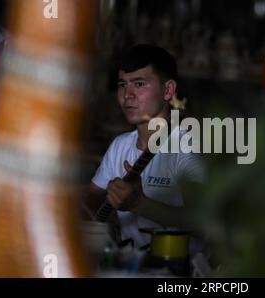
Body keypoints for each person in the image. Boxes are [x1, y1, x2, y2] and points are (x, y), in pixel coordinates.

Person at [83, 44, 205, 249]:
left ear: (168, 90)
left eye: (139, 84)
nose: (127, 95)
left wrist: (139, 204)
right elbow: (90, 199)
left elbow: (202, 221)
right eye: (122, 84)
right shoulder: (120, 146)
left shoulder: (188, 145)